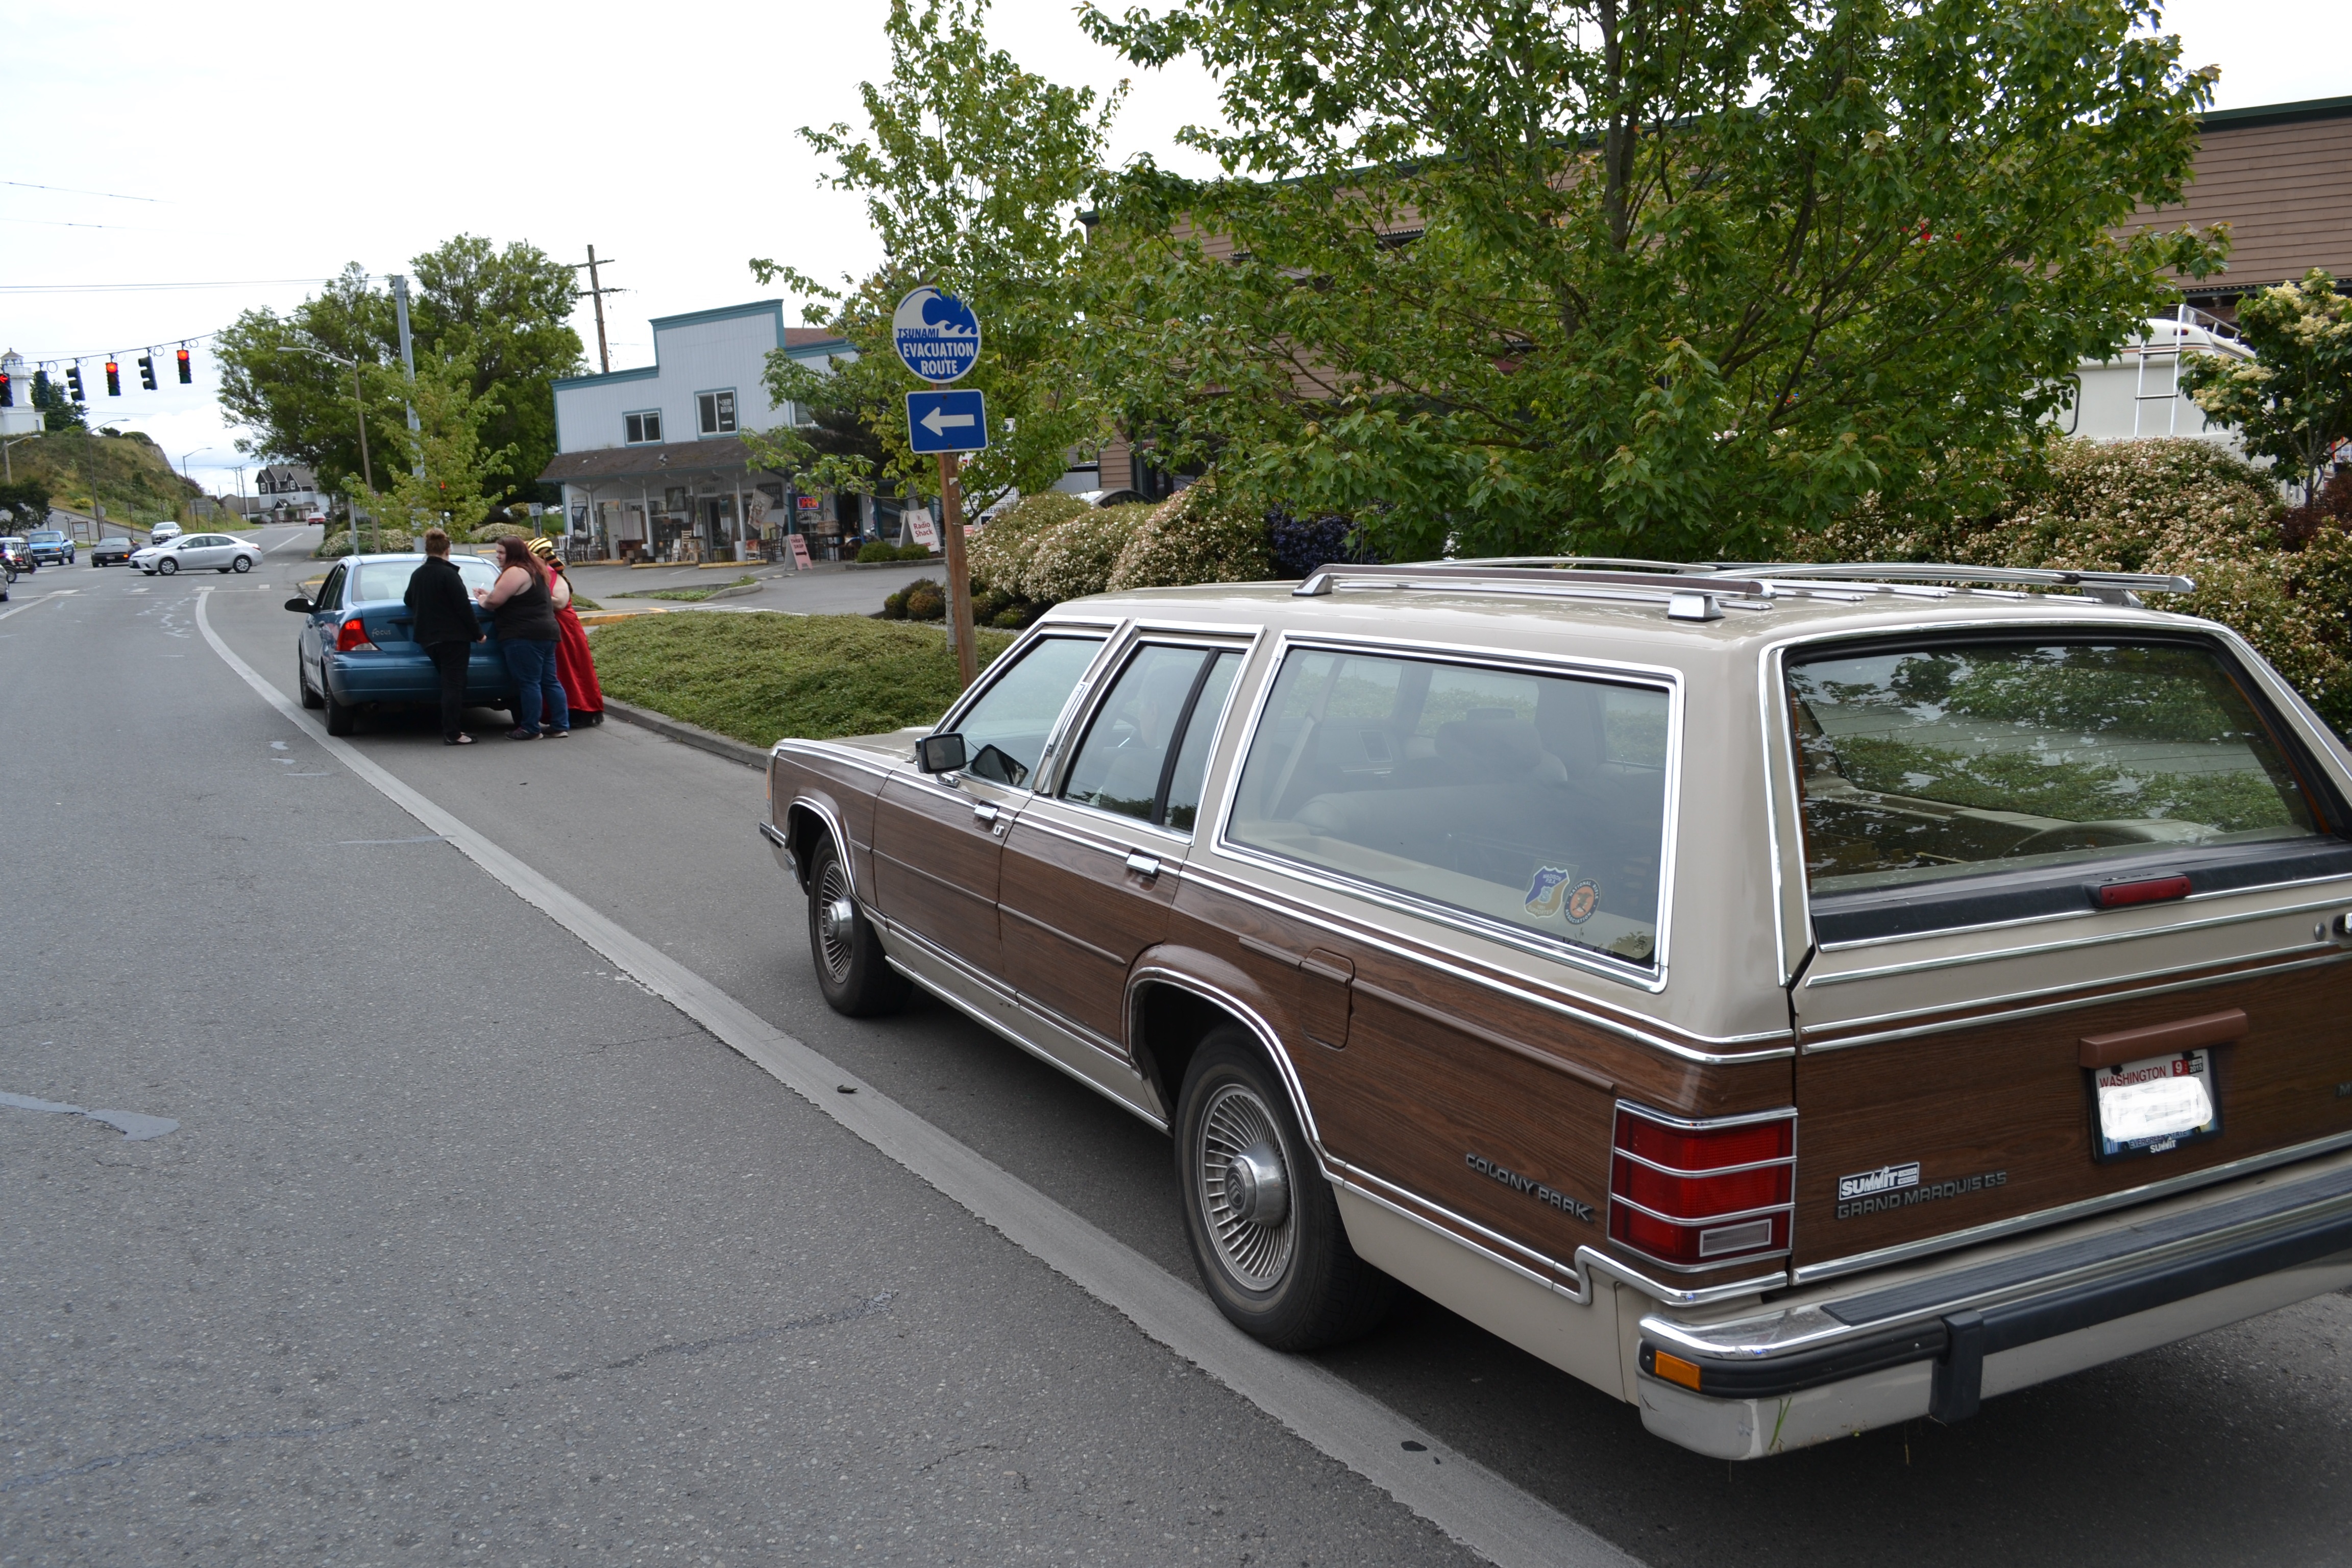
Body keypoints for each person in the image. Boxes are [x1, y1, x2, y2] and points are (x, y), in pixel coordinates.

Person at [475, 535, 569, 740]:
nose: (498, 556)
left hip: (523, 635)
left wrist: (483, 598)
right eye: (497, 552)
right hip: (547, 632)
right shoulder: (535, 569)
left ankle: (530, 728)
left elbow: (494, 602)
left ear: (514, 553)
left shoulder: (516, 571)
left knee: (529, 683)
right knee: (549, 681)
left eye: (501, 552)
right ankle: (560, 725)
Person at [403, 527, 484, 746]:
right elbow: (464, 608)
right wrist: (479, 633)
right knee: (454, 685)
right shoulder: (450, 575)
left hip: (428, 639)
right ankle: (453, 733)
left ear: (427, 549)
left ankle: (453, 728)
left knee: (451, 683)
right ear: (448, 550)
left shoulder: (418, 575)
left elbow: (408, 601)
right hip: (453, 638)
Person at [528, 536, 605, 725]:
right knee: (558, 672)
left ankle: (579, 709)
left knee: (572, 669)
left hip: (565, 630)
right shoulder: (537, 576)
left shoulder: (556, 576)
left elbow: (561, 603)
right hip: (551, 627)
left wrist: (535, 595)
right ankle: (558, 712)